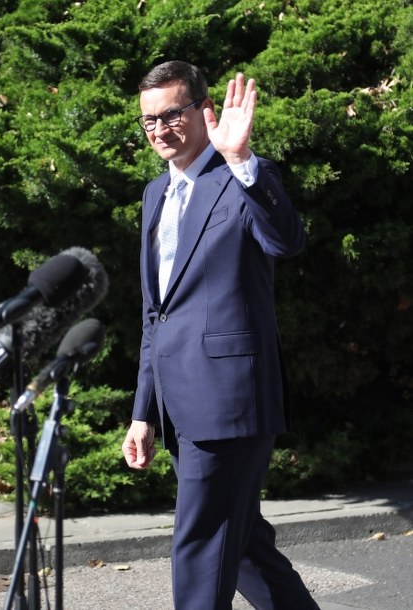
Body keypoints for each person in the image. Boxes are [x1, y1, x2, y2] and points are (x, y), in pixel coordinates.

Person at [121, 60, 319, 609]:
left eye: (172, 115)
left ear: (205, 112)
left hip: (229, 399)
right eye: (148, 121)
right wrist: (144, 412)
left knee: (202, 545)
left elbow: (286, 240)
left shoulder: (242, 176)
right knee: (245, 547)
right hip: (178, 403)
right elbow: (154, 314)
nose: (160, 129)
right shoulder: (154, 196)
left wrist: (240, 158)